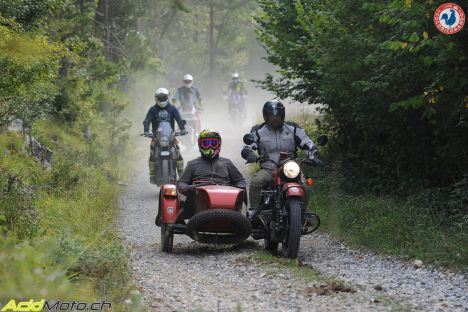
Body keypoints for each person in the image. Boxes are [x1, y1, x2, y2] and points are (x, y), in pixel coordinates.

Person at [241, 100, 324, 217]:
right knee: (256, 182)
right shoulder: (258, 130)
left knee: (306, 185)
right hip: (269, 168)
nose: (274, 118)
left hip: (290, 168)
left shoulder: (293, 128)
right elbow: (248, 147)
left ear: (282, 115)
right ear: (266, 116)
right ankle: (254, 211)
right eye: (271, 115)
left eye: (277, 115)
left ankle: (303, 213)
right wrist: (249, 154)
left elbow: (308, 144)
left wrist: (314, 155)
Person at [177, 129, 246, 217]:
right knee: (178, 215)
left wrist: (237, 188)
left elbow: (240, 180)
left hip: (225, 197)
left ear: (219, 144)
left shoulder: (227, 162)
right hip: (198, 198)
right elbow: (181, 183)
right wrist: (188, 188)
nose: (210, 146)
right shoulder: (192, 164)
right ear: (200, 144)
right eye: (206, 143)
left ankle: (246, 216)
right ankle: (177, 223)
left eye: (213, 143)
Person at [143, 87, 187, 184]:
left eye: (164, 98)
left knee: (178, 154)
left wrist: (182, 129)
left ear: (167, 97)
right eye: (160, 98)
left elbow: (179, 119)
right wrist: (146, 131)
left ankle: (182, 175)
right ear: (156, 98)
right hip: (156, 136)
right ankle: (152, 174)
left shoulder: (172, 108)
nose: (162, 100)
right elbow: (147, 120)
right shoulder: (153, 109)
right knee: (152, 153)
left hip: (170, 136)